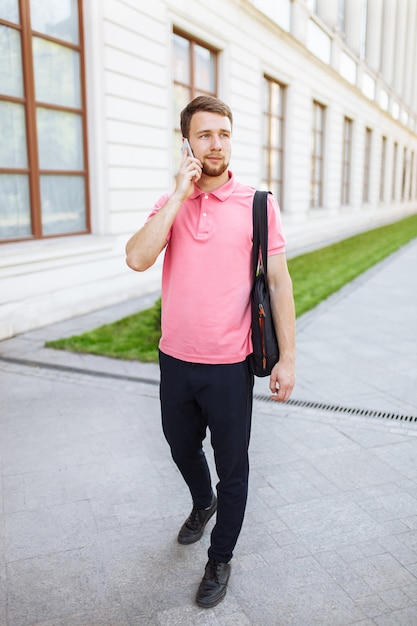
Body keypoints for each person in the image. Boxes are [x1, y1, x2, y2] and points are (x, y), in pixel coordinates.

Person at [125, 95, 295, 608]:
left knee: (234, 467)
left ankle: (220, 559)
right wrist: (180, 193)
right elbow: (137, 257)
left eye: (223, 133)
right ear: (188, 143)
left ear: (230, 137)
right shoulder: (171, 202)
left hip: (229, 365)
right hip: (175, 357)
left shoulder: (258, 204)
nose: (215, 144)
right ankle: (204, 503)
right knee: (179, 446)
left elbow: (281, 284)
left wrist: (288, 359)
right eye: (204, 135)